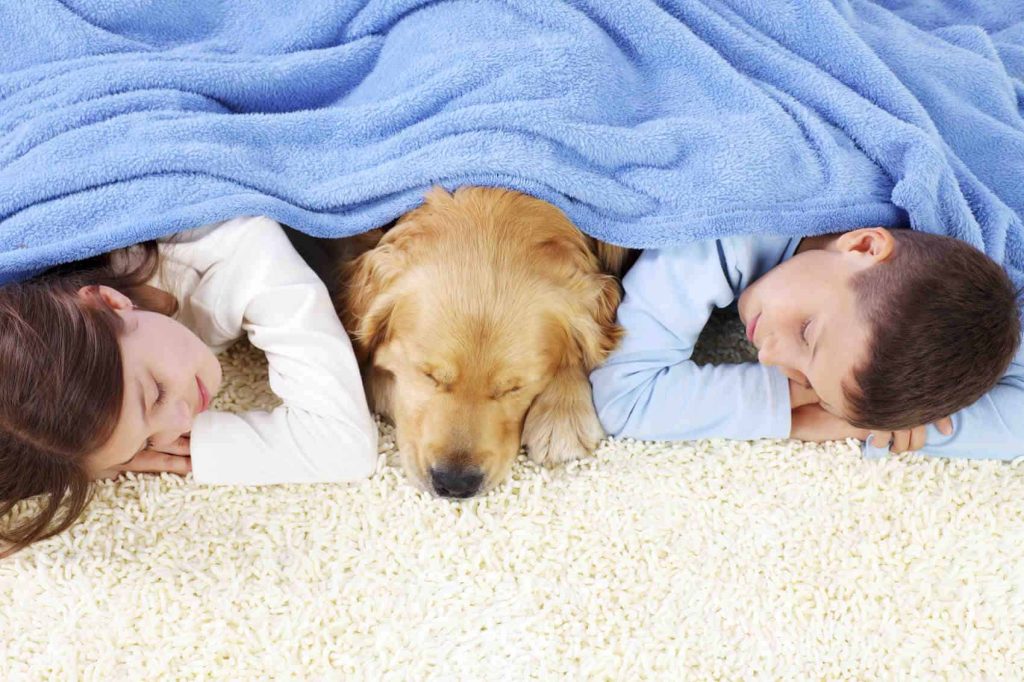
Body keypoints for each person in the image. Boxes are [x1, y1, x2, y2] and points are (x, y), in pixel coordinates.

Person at [0, 217, 378, 556]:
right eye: (147, 444)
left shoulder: (237, 255)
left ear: (108, 301)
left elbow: (344, 444)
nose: (184, 423)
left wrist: (203, 448)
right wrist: (90, 461)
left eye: (157, 392)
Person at [590, 227, 1023, 458]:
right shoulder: (729, 230)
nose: (768, 356)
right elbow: (625, 399)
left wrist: (854, 422)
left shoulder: (946, 286)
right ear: (864, 244)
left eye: (805, 381)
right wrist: (790, 413)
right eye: (807, 332)